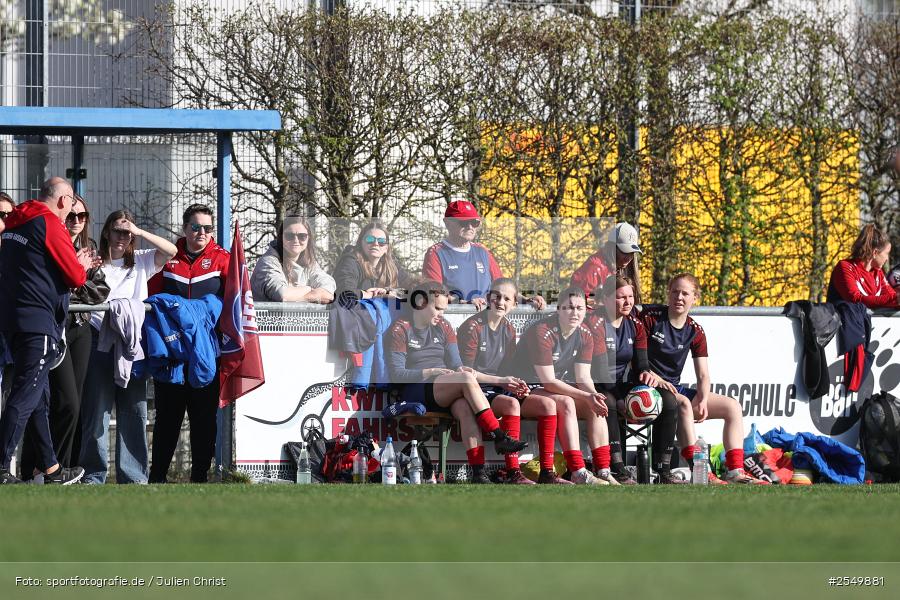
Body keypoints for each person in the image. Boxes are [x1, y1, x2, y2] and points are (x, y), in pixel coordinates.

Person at [0, 176, 96, 484]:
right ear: (64, 200)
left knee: (39, 398)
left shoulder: (16, 222)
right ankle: (1, 466)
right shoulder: (50, 223)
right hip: (38, 322)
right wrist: (81, 264)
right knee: (25, 395)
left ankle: (52, 469)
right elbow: (75, 277)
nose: (71, 213)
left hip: (14, 321)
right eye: (71, 204)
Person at [386, 280, 527, 484]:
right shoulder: (401, 328)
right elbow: (397, 375)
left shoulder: (443, 326)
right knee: (465, 380)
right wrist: (430, 371)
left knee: (464, 407)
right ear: (420, 303)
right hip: (416, 390)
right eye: (437, 308)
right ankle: (498, 436)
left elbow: (460, 368)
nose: (441, 314)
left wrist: (503, 381)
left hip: (443, 388)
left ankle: (479, 473)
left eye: (444, 308)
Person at [80, 209, 177, 484]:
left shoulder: (142, 261)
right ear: (107, 232)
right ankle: (93, 474)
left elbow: (171, 250)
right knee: (96, 410)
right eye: (117, 230)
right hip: (99, 339)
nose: (122, 237)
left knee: (134, 411)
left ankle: (133, 476)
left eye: (127, 232)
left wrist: (140, 231)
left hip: (131, 342)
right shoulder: (96, 263)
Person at [642, 274, 767, 484]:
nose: (679, 297)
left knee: (732, 407)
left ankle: (735, 471)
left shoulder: (695, 330)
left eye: (685, 293)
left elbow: (703, 374)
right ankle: (699, 472)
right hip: (648, 388)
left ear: (694, 298)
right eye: (675, 292)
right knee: (682, 402)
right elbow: (638, 362)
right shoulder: (651, 318)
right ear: (668, 294)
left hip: (674, 389)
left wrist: (701, 399)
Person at [20, 195, 110, 482]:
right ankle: (40, 467)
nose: (76, 222)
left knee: (74, 403)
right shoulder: (47, 237)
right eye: (71, 216)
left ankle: (62, 467)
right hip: (50, 328)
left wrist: (74, 281)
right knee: (53, 401)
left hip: (79, 328)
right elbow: (45, 287)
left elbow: (99, 291)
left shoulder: (89, 248)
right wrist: (76, 275)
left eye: (81, 217)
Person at [147, 203, 229, 483]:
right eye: (196, 227)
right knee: (168, 419)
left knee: (203, 419)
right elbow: (150, 300)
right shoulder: (167, 258)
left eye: (207, 228)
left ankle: (200, 478)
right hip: (173, 353)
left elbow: (238, 300)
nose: (202, 233)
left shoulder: (223, 259)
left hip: (206, 353)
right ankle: (156, 478)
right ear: (185, 229)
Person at [508, 286, 615, 484]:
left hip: (551, 390)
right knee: (566, 402)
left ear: (586, 310)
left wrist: (593, 396)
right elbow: (548, 381)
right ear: (558, 309)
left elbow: (583, 377)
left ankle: (604, 470)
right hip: (523, 390)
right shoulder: (542, 331)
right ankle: (578, 471)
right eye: (568, 308)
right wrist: (586, 396)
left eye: (579, 308)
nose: (574, 313)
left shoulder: (585, 333)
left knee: (595, 406)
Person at [586, 275, 680, 484]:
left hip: (620, 383)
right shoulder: (596, 323)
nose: (628, 302)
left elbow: (641, 365)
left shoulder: (636, 325)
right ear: (608, 299)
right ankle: (618, 467)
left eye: (631, 296)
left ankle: (663, 469)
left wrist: (646, 375)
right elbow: (602, 372)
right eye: (621, 297)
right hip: (595, 383)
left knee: (669, 400)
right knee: (608, 401)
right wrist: (621, 401)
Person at [456, 278, 547, 484]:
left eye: (507, 298)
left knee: (523, 402)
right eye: (496, 296)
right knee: (511, 404)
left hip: (494, 387)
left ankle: (519, 473)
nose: (500, 301)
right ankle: (511, 470)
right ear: (488, 298)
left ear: (514, 304)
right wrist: (503, 381)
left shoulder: (508, 329)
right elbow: (465, 373)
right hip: (472, 390)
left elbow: (507, 371)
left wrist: (516, 385)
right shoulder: (473, 327)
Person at [422, 200, 545, 310]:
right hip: (455, 321)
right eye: (464, 222)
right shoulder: (436, 253)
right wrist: (464, 304)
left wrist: (527, 300)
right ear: (448, 223)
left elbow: (504, 289)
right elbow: (434, 294)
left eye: (474, 222)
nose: (470, 227)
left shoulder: (482, 251)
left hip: (486, 322)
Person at [250, 215, 335, 303]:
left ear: (308, 239)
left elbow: (328, 291)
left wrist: (302, 296)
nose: (296, 240)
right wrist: (309, 289)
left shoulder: (310, 263)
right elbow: (282, 295)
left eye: (302, 236)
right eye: (289, 236)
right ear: (281, 238)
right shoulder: (268, 262)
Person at [333, 220, 411, 301]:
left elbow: (412, 290)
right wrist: (368, 294)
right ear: (360, 243)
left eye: (381, 241)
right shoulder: (350, 262)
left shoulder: (392, 266)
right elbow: (344, 292)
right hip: (353, 312)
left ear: (386, 248)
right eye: (370, 239)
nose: (376, 244)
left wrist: (388, 292)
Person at [570, 222, 644, 305]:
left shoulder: (617, 267)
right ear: (612, 248)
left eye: (632, 253)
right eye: (624, 251)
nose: (629, 257)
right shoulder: (594, 268)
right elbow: (580, 304)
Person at [827, 224, 897, 309]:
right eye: (886, 253)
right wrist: (895, 299)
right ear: (875, 253)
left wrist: (895, 299)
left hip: (865, 322)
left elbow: (892, 297)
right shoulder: (845, 267)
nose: (887, 258)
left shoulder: (877, 273)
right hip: (844, 321)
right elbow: (855, 299)